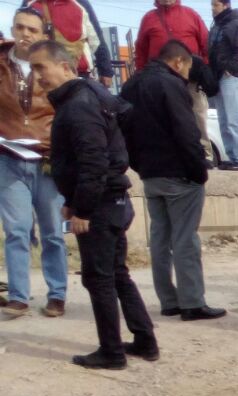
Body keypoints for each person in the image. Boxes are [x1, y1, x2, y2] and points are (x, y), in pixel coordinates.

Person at [30, 40, 158, 368]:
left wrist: (83, 209)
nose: (37, 75)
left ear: (66, 66)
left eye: (41, 66)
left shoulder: (79, 104)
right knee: (117, 274)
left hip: (101, 204)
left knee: (98, 278)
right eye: (33, 68)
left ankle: (112, 352)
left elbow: (93, 161)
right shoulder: (86, 96)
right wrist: (73, 202)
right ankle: (144, 341)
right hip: (110, 200)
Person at [120, 39, 225, 322]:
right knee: (184, 239)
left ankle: (168, 300)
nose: (188, 74)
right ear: (178, 62)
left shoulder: (130, 85)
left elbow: (123, 130)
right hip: (179, 174)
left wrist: (139, 165)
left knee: (160, 238)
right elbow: (186, 131)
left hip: (150, 174)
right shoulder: (171, 85)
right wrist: (199, 170)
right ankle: (192, 302)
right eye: (188, 67)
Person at [0, 6, 68, 320]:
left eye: (32, 29)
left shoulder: (53, 67)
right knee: (16, 230)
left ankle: (57, 294)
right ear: (12, 29)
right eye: (19, 27)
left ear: (42, 34)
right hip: (9, 158)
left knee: (53, 230)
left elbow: (69, 110)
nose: (25, 34)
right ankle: (18, 296)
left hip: (48, 160)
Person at [134, 0, 212, 164]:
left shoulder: (191, 14)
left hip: (191, 78)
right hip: (159, 80)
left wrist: (203, 68)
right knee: (161, 116)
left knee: (197, 112)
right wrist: (141, 74)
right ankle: (168, 156)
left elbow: (206, 43)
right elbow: (141, 49)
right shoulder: (148, 18)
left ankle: (204, 154)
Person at [207, 0, 238, 170]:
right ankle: (232, 157)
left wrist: (229, 69)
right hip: (217, 77)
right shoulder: (217, 26)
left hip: (230, 77)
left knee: (233, 120)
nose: (212, 9)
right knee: (224, 121)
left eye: (215, 5)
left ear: (225, 5)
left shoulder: (235, 24)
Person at [29, 0, 114, 84]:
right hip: (40, 74)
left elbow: (96, 38)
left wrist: (105, 71)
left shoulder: (80, 3)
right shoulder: (30, 4)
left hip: (78, 73)